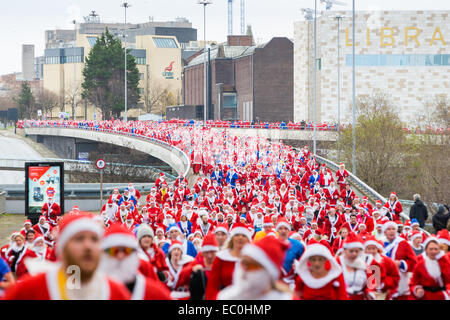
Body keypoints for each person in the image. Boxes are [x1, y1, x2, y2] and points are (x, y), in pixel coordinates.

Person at [3, 213, 131, 300]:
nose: (88, 246)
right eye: (79, 239)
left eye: (94, 239)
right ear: (62, 248)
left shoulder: (115, 291)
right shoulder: (29, 290)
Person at [100, 223, 172, 300]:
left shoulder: (153, 291)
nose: (120, 255)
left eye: (126, 250)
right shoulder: (95, 290)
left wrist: (162, 275)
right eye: (112, 250)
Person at [218, 236, 296, 300]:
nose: (244, 270)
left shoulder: (285, 298)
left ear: (268, 273)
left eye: (251, 266)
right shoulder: (226, 297)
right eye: (243, 263)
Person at [205, 222, 251, 300]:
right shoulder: (221, 257)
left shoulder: (254, 258)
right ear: (232, 238)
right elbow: (212, 286)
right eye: (237, 235)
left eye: (244, 235)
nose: (240, 238)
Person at [382, 220, 417, 300]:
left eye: (393, 229)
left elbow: (414, 262)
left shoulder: (403, 243)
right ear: (384, 232)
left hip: (400, 281)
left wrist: (401, 263)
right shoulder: (380, 244)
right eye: (389, 229)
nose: (391, 231)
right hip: (384, 281)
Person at [177, 233, 219, 300]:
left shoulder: (221, 262)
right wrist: (192, 269)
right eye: (207, 252)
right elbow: (182, 275)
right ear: (202, 252)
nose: (209, 256)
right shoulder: (198, 261)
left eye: (212, 252)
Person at [336, 232, 376, 300]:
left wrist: (369, 291)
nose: (354, 254)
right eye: (351, 251)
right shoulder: (337, 262)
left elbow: (371, 281)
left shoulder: (363, 264)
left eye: (357, 251)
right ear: (345, 250)